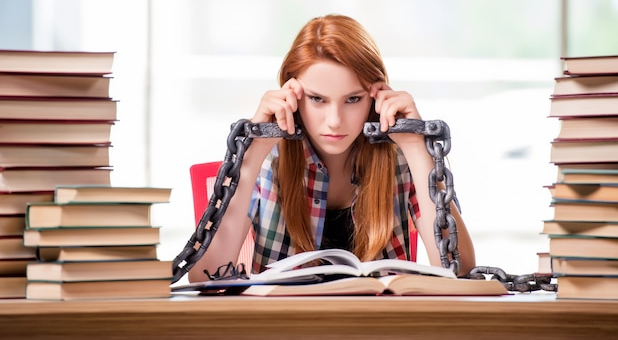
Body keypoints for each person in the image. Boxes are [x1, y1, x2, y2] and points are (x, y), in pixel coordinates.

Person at [188, 14, 475, 282]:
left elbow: (459, 272)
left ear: (376, 97)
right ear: (292, 95)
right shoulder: (267, 160)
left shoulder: (403, 161)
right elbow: (205, 275)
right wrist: (251, 156)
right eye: (317, 99)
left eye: (352, 99)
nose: (335, 121)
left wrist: (416, 148)